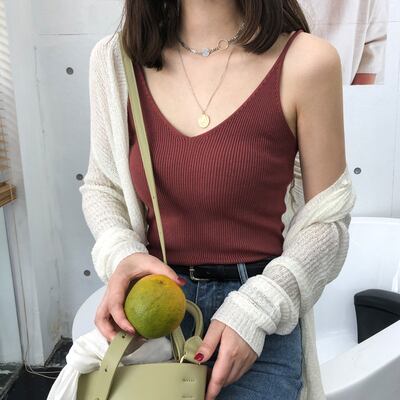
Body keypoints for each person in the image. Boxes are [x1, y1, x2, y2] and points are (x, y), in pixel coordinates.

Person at [80, 1, 354, 399]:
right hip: (153, 316)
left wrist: (255, 311)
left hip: (260, 313)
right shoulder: (115, 61)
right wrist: (122, 254)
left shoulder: (307, 62)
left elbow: (327, 222)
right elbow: (103, 187)